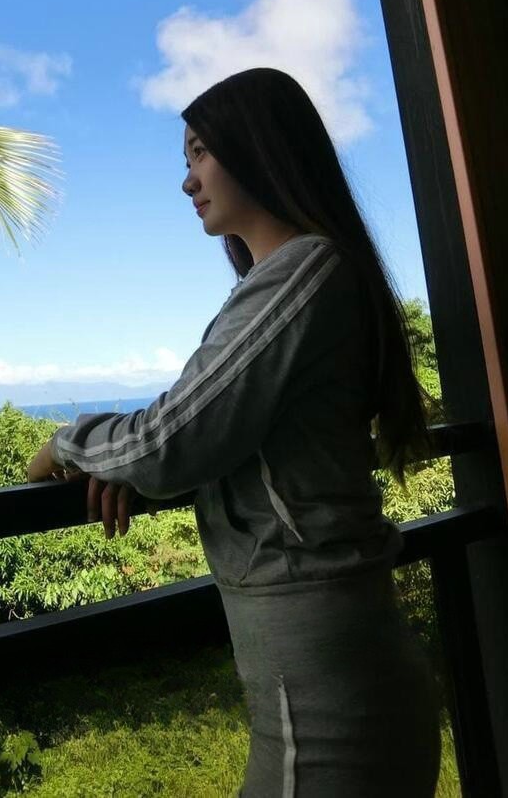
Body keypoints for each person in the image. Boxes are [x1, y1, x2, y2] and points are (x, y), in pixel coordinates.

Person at [26, 68, 442, 797]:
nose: (187, 180)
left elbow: (169, 440)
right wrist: (135, 473)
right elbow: (219, 432)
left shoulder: (305, 271)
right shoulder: (305, 275)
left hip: (323, 682)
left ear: (260, 147)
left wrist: (68, 444)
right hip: (327, 664)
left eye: (200, 152)